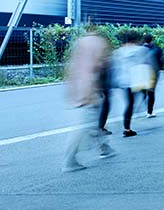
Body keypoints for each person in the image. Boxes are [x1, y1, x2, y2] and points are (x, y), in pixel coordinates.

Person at [63, 28, 115, 172]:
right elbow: (100, 66)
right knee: (83, 125)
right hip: (89, 89)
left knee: (92, 121)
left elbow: (72, 68)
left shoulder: (79, 43)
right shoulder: (98, 43)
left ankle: (104, 147)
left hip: (80, 86)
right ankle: (69, 160)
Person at [110, 30, 151, 137]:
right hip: (137, 80)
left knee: (129, 103)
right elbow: (145, 64)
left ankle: (127, 128)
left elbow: (115, 67)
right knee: (141, 97)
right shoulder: (141, 50)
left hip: (124, 81)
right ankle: (138, 112)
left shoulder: (119, 52)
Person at [141, 33, 164, 118]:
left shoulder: (139, 49)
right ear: (152, 40)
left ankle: (143, 95)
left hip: (142, 72)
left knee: (143, 89)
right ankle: (149, 112)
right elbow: (161, 61)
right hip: (153, 72)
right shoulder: (157, 49)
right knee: (151, 92)